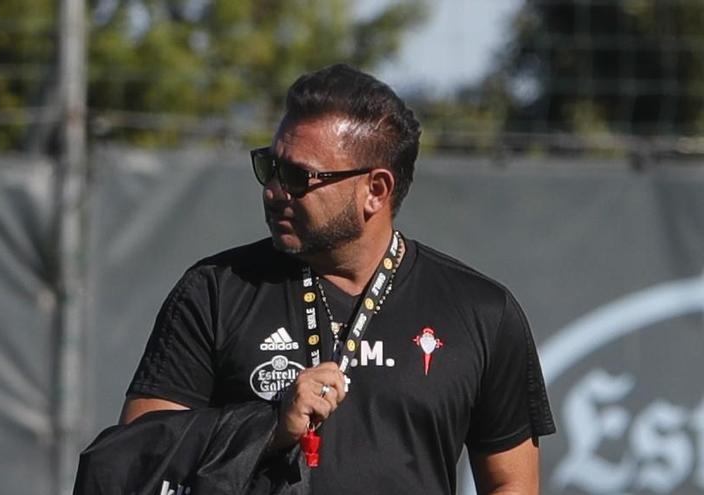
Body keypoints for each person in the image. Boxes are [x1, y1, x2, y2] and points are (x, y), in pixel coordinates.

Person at [120, 64, 555, 494]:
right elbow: (136, 457)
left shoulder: (481, 312)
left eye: (297, 177)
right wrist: (269, 427)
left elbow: (510, 484)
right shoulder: (215, 291)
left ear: (376, 190)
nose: (273, 191)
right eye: (269, 166)